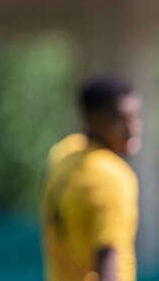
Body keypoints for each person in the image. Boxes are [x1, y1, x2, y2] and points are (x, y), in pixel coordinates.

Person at [41, 76, 142, 281]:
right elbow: (107, 255)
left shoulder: (63, 154)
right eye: (119, 119)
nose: (131, 129)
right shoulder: (112, 178)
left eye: (136, 116)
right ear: (91, 119)